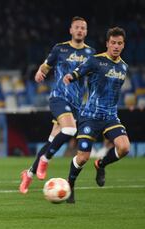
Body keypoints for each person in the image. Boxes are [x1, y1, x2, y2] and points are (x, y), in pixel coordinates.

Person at [19, 16, 95, 194]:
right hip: (59, 98)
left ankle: (28, 174)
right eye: (77, 27)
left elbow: (93, 77)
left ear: (86, 31)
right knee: (69, 130)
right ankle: (45, 159)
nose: (80, 31)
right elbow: (46, 66)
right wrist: (40, 72)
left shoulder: (91, 53)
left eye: (83, 28)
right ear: (70, 30)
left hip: (76, 104)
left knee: (52, 140)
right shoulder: (60, 49)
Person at [63, 27, 130, 203]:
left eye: (119, 43)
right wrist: (71, 76)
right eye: (113, 43)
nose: (116, 46)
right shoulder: (96, 61)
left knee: (124, 148)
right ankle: (70, 184)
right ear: (107, 43)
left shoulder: (123, 67)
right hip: (90, 116)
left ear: (123, 45)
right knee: (83, 157)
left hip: (110, 116)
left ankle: (101, 164)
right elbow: (80, 71)